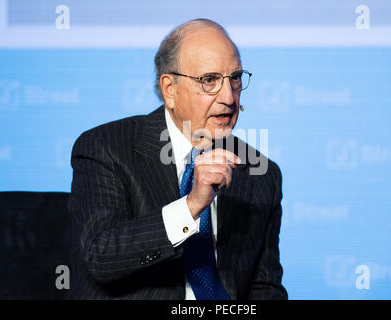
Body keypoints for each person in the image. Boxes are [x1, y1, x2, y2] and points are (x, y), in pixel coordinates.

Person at [67, 18, 287, 300]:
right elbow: (101, 257)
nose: (229, 97)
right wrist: (192, 206)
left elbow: (264, 288)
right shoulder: (105, 148)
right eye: (210, 80)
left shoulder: (262, 174)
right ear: (170, 89)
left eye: (235, 79)